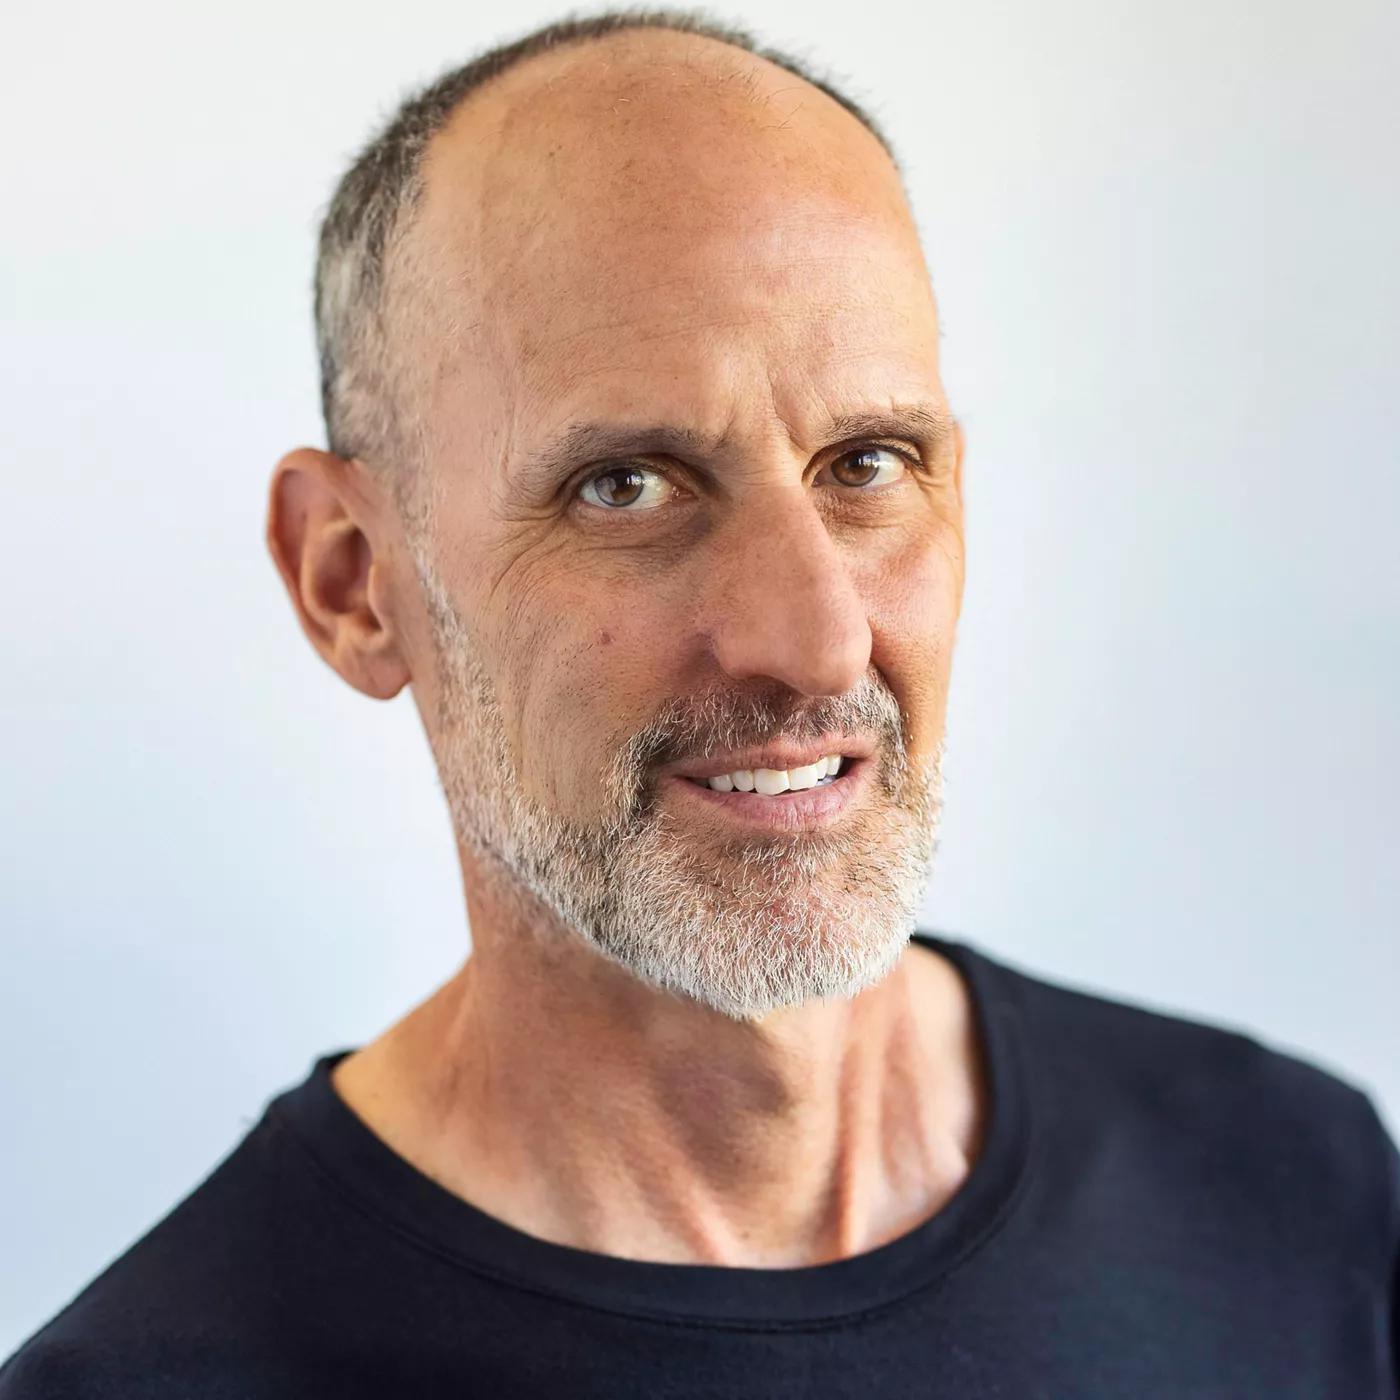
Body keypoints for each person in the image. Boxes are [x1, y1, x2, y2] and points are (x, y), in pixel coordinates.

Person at [3, 11, 1395, 1397]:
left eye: (868, 463)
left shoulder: (1292, 1190)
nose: (816, 639)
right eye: (627, 486)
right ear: (353, 581)